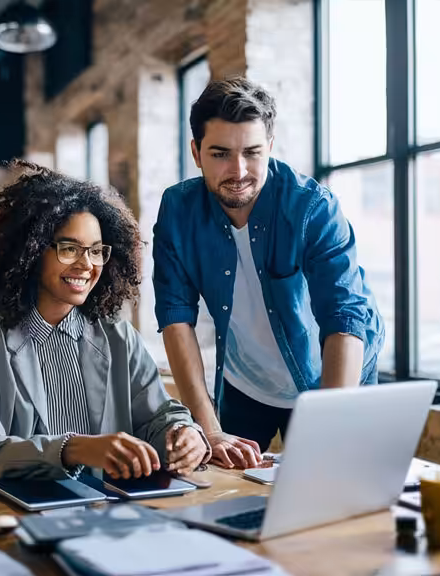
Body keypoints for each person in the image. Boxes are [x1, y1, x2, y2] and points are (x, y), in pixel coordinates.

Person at [153, 78, 384, 469]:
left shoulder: (313, 208)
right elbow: (176, 320)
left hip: (328, 380)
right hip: (245, 384)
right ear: (196, 152)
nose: (238, 170)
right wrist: (210, 431)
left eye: (253, 153)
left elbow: (344, 318)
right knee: (226, 492)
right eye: (221, 153)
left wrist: (329, 429)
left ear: (270, 148)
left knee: (329, 489)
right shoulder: (178, 211)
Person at [0, 161, 210, 482]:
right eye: (70, 248)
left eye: (96, 251)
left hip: (111, 514)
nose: (87, 264)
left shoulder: (118, 335)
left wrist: (184, 434)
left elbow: (158, 415)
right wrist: (71, 449)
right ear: (31, 250)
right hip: (21, 516)